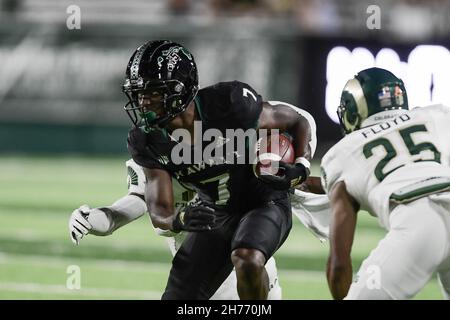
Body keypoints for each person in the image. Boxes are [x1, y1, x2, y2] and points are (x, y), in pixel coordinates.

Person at [123, 40, 315, 300]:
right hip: (215, 211)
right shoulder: (147, 139)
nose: (144, 102)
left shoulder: (229, 104)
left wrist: (301, 166)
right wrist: (179, 220)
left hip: (263, 202)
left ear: (182, 89)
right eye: (138, 93)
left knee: (246, 258)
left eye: (154, 92)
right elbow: (160, 210)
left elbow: (296, 120)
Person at [68, 158, 282, 300]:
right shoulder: (148, 152)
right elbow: (135, 202)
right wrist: (96, 218)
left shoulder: (223, 144)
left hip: (237, 271)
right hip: (203, 277)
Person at [321, 67, 450, 300]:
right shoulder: (437, 115)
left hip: (421, 223)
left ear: (353, 109)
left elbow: (339, 263)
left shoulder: (342, 153)